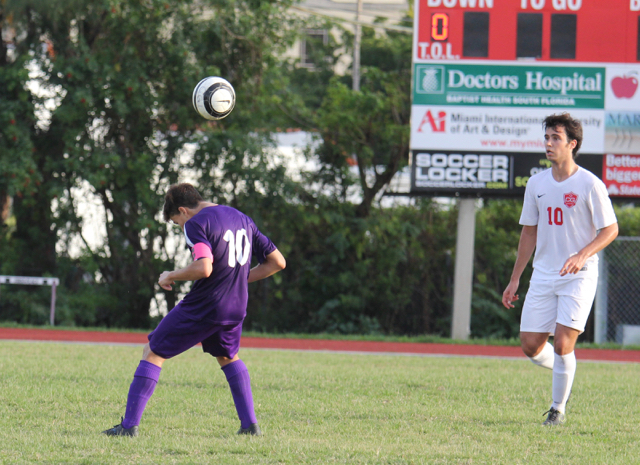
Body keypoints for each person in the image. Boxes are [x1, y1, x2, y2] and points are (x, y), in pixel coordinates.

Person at [103, 183, 286, 437]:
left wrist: (171, 275)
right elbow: (278, 262)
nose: (181, 228)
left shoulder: (195, 223)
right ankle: (250, 426)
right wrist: (236, 278)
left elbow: (204, 267)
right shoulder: (242, 218)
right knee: (228, 356)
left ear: (183, 211)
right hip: (236, 305)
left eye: (177, 223)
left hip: (206, 305)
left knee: (153, 351)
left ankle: (128, 427)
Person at [502, 113, 618, 426]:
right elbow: (528, 232)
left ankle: (557, 409)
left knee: (565, 342)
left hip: (578, 276)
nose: (549, 143)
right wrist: (515, 280)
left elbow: (610, 230)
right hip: (543, 274)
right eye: (547, 138)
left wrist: (582, 254)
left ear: (572, 144)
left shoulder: (590, 184)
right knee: (529, 345)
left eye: (556, 138)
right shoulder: (536, 184)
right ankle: (564, 369)